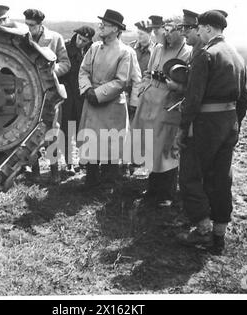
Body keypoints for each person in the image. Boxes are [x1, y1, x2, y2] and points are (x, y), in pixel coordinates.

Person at [176, 10, 247, 255]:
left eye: (199, 28)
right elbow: (244, 101)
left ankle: (203, 231)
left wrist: (182, 129)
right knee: (220, 179)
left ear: (207, 28)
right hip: (228, 124)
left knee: (190, 175)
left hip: (205, 124)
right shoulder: (237, 56)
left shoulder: (206, 55)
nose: (197, 32)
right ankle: (219, 235)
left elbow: (193, 99)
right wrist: (234, 125)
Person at [131, 17, 191, 207]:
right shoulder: (157, 48)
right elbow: (148, 72)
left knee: (165, 148)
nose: (166, 34)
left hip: (169, 103)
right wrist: (143, 89)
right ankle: (153, 189)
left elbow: (190, 85)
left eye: (171, 30)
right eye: (164, 30)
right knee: (150, 146)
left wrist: (177, 88)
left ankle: (167, 193)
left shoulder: (188, 53)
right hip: (149, 100)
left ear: (180, 31)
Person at [78, 9, 132, 187]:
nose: (101, 26)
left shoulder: (125, 52)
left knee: (110, 143)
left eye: (106, 24)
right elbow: (83, 70)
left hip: (111, 104)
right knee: (91, 140)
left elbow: (122, 80)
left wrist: (99, 94)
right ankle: (91, 180)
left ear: (116, 29)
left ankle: (110, 181)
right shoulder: (93, 48)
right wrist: (87, 89)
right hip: (92, 101)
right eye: (101, 23)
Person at [23, 8, 71, 184]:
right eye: (26, 24)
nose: (28, 29)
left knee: (52, 130)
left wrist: (51, 72)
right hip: (30, 93)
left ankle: (54, 171)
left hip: (50, 93)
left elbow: (66, 63)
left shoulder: (55, 38)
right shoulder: (22, 38)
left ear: (40, 24)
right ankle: (34, 171)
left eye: (32, 25)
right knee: (29, 130)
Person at [59, 26, 95, 175]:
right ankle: (69, 163)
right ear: (76, 35)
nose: (81, 42)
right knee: (67, 130)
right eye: (80, 38)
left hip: (83, 97)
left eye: (85, 40)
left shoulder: (92, 50)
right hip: (67, 96)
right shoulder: (65, 47)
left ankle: (84, 160)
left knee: (84, 129)